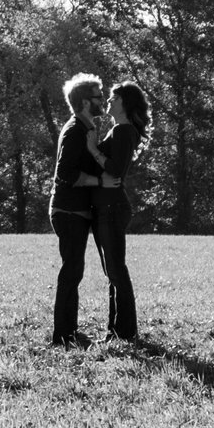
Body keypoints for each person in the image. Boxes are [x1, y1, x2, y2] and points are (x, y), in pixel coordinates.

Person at [46, 72, 105, 346]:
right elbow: (65, 174)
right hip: (68, 212)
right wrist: (99, 180)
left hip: (74, 212)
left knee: (75, 270)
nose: (102, 101)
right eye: (98, 97)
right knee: (72, 271)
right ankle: (63, 335)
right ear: (84, 102)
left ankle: (69, 330)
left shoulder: (84, 128)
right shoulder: (74, 131)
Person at [92, 80, 150, 342]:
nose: (108, 101)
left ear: (125, 103)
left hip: (113, 206)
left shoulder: (124, 131)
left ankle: (125, 331)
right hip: (108, 205)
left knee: (116, 271)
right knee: (113, 272)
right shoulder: (119, 130)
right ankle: (116, 330)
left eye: (113, 98)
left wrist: (93, 150)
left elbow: (115, 170)